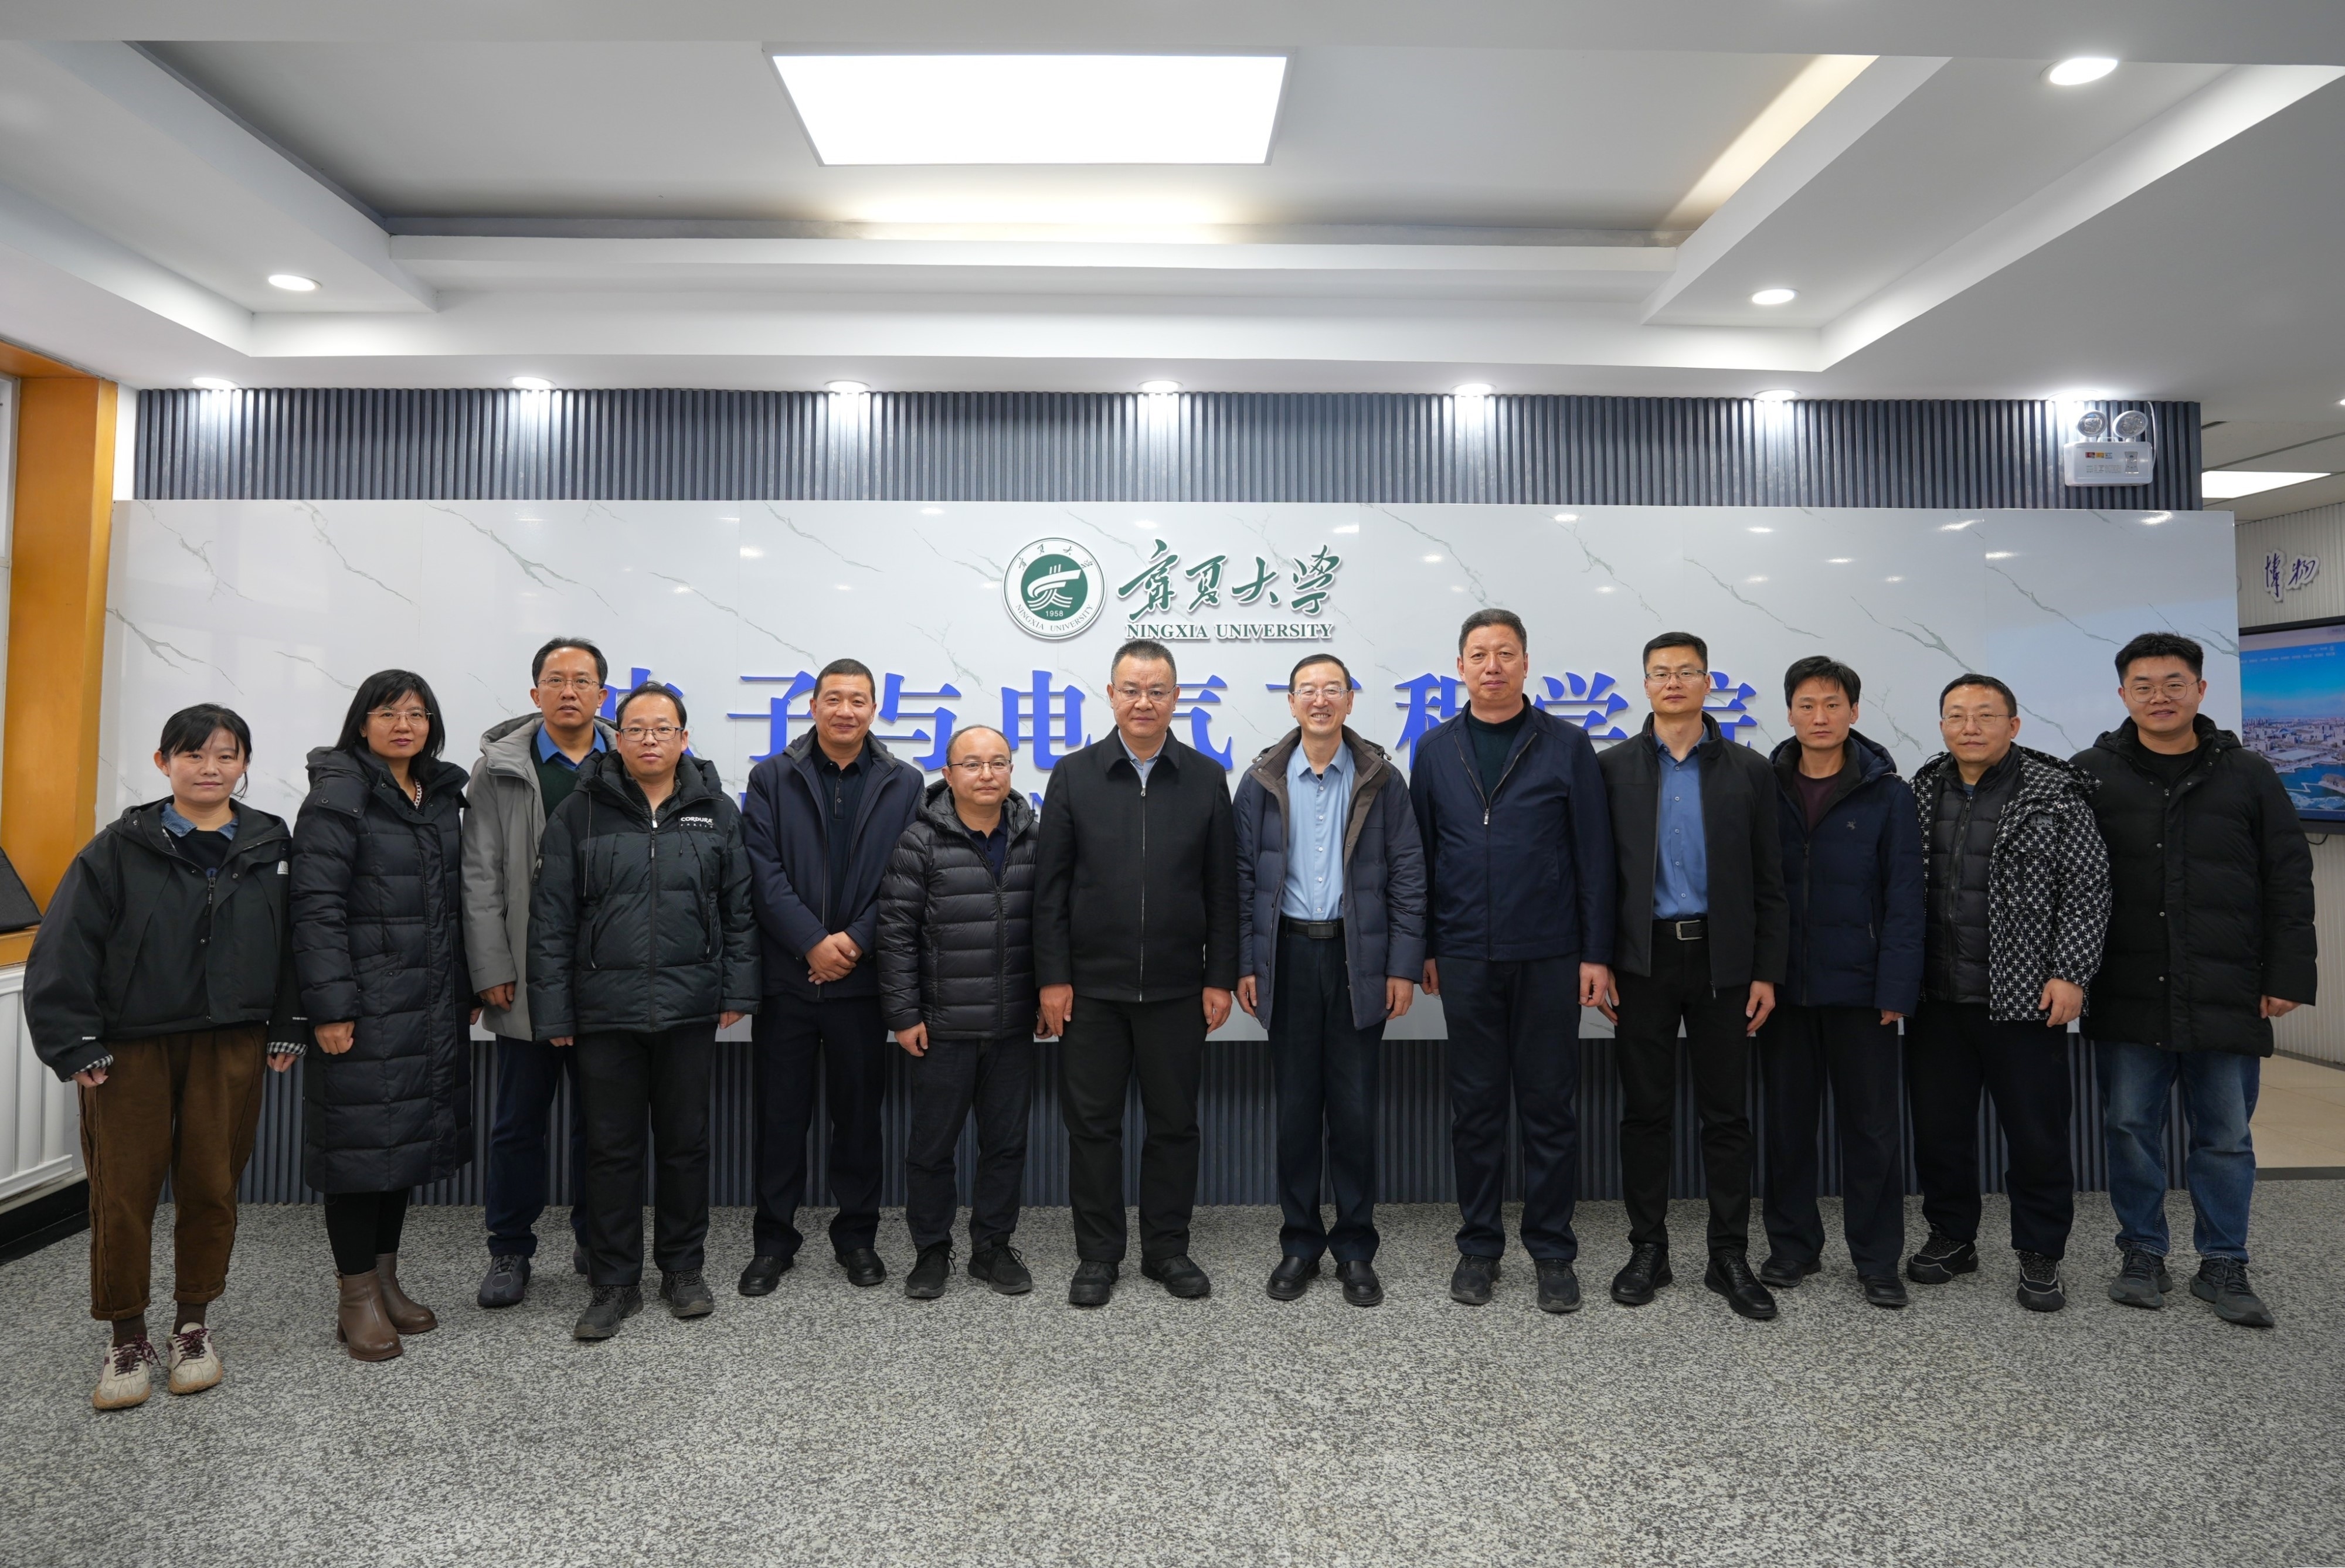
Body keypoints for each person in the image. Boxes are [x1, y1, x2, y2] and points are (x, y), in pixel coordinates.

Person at [26, 705, 308, 1410]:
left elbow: (295, 942)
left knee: (212, 1184)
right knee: (122, 1191)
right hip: (130, 1048)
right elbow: (66, 943)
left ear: (245, 764)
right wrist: (74, 1039)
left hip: (230, 1042)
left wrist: (287, 1023)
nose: (210, 768)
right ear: (164, 762)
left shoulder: (271, 842)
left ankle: (192, 1325)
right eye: (193, 754)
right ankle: (126, 1334)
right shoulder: (119, 847)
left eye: (226, 755)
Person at [2074, 632, 2315, 1328]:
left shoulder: (2248, 774)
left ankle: (2224, 1261)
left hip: (2226, 986)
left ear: (2200, 690)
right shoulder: (2091, 772)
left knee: (2226, 1135)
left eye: (2173, 683)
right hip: (2128, 984)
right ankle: (2142, 1251)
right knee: (2128, 1127)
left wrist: (2287, 972)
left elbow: (2288, 878)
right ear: (2122, 694)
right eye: (2143, 685)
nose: (2159, 696)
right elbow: (2067, 883)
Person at [529, 683, 758, 1341]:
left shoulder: (717, 810)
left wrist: (737, 991)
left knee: (686, 1146)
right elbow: (551, 918)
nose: (650, 738)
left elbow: (739, 910)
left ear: (684, 738)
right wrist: (555, 1011)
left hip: (689, 1008)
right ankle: (613, 1281)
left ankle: (683, 1269)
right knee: (611, 1150)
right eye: (636, 728)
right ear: (618, 738)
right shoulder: (580, 811)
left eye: (663, 728)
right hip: (605, 1011)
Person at [1410, 608, 1615, 1314]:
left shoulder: (1566, 743)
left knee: (1549, 1106)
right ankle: (1478, 1246)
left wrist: (1595, 953)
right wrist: (1426, 946)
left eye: (1504, 653)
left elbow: (1594, 855)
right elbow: (1421, 856)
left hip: (1550, 952)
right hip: (1465, 951)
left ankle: (1553, 1251)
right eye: (1478, 654)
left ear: (1526, 663)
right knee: (1475, 1108)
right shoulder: (1434, 748)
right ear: (1459, 666)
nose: (1491, 665)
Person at [1035, 638, 1239, 1307]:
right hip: (1091, 989)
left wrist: (1219, 975)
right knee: (1092, 1127)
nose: (1143, 701)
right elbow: (1050, 888)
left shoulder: (1205, 777)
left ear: (1176, 698)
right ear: (1111, 695)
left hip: (1179, 988)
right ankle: (1098, 1255)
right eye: (1131, 689)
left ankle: (1166, 1248)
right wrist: (1053, 977)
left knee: (1174, 1124)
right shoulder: (1074, 774)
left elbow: (1222, 888)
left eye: (1156, 690)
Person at [1596, 631, 1787, 1321]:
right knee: (1644, 1113)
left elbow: (1771, 879)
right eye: (1660, 672)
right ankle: (1647, 1248)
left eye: (1686, 671)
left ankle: (1727, 1254)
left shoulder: (1749, 769)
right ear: (1645, 684)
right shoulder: (1611, 768)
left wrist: (1766, 970)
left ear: (1709, 683)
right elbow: (1595, 877)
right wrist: (1599, 959)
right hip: (1641, 960)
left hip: (1723, 959)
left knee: (1725, 1114)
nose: (1673, 681)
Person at [1906, 673, 2109, 1312]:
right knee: (1940, 1131)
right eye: (1956, 714)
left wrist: (2071, 972)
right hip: (1935, 997)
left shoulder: (2054, 793)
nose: (1969, 726)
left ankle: (2041, 1252)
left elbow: (2088, 889)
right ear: (1942, 724)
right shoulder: (1920, 790)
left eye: (1985, 714)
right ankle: (1952, 1236)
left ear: (2013, 725)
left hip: (2023, 999)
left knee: (2036, 1135)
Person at [292, 671, 476, 1361]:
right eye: (388, 712)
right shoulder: (338, 794)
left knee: (401, 1147)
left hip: (426, 1003)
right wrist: (331, 1006)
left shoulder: (437, 795)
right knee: (358, 1150)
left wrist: (466, 986)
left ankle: (386, 1280)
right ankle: (356, 1296)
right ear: (361, 722)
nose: (404, 724)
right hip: (365, 1006)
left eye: (417, 713)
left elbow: (455, 900)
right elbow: (315, 908)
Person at [1233, 653, 1425, 1308]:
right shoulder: (1260, 781)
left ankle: (1354, 1248)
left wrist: (1401, 966)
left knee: (1353, 1111)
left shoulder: (1381, 779)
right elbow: (1240, 879)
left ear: (1349, 700)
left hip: (1356, 959)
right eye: (1307, 690)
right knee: (1294, 1112)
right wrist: (1244, 963)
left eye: (1332, 689)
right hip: (1286, 956)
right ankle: (1299, 1243)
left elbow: (1408, 875)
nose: (1320, 700)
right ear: (1291, 702)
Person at [739, 658, 923, 1294]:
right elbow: (761, 870)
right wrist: (811, 943)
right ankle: (773, 1242)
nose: (846, 710)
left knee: (859, 1119)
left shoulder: (904, 782)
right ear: (813, 705)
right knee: (779, 1118)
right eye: (834, 698)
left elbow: (905, 874)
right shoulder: (772, 776)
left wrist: (854, 941)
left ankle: (857, 1238)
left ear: (875, 709)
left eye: (859, 699)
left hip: (862, 982)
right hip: (788, 979)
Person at [1758, 656, 1924, 1309]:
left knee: (1872, 1130)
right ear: (1789, 712)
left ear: (1854, 711)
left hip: (1862, 991)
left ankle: (1877, 1259)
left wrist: (1896, 988)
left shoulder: (1888, 793)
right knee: (1787, 1127)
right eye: (1806, 704)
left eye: (1832, 704)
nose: (1819, 716)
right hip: (1783, 991)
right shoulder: (1764, 786)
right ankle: (1792, 1247)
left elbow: (1905, 898)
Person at [463, 636, 617, 1308]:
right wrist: (489, 963)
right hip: (524, 973)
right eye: (556, 679)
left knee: (601, 1121)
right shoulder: (499, 768)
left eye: (582, 680)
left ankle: (595, 1237)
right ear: (535, 693)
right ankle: (509, 1247)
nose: (569, 691)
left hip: (605, 975)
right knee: (518, 1122)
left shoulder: (628, 759)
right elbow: (479, 874)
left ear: (602, 694)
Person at [875, 726, 1041, 1300]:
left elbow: (1053, 926)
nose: (986, 774)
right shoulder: (919, 841)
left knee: (1006, 1145)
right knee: (931, 1148)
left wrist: (1047, 996)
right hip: (941, 1026)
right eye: (972, 763)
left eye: (998, 762)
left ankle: (992, 1247)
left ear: (1011, 770)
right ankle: (931, 1249)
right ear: (948, 774)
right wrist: (903, 1014)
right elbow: (895, 934)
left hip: (1013, 1024)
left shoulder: (1034, 838)